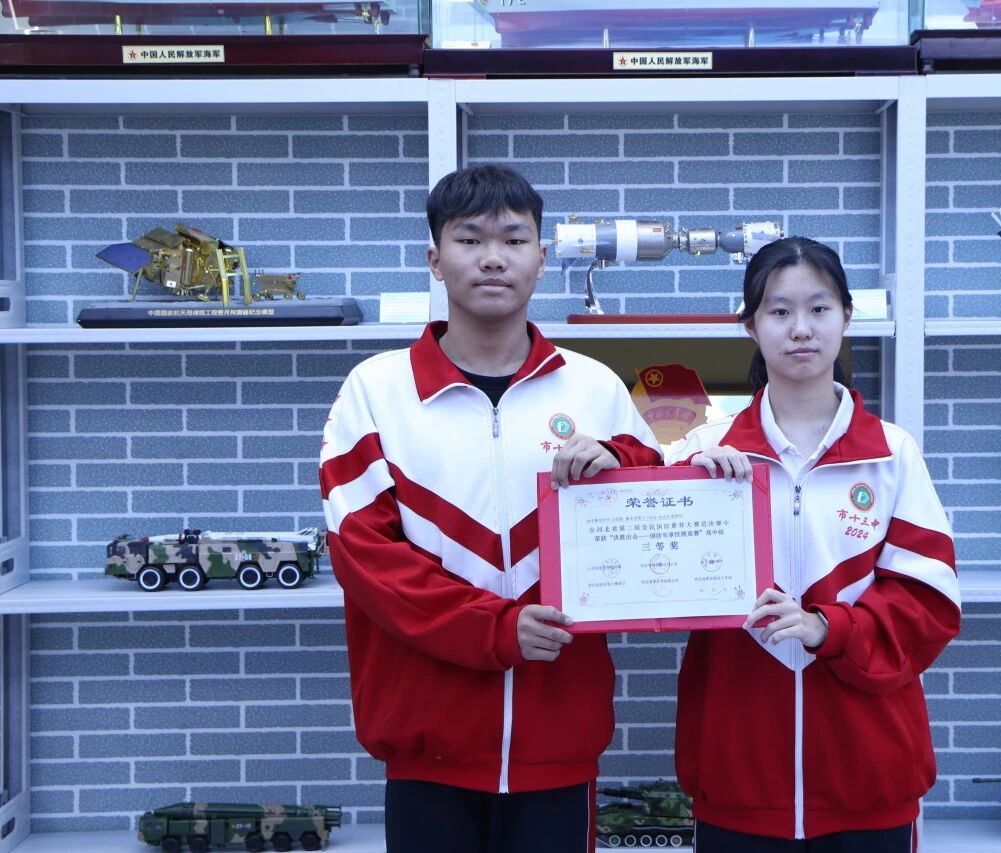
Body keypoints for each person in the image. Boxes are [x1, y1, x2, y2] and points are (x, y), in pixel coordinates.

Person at [319, 164, 662, 853]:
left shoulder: (594, 387)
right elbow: (367, 558)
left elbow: (653, 509)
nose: (493, 257)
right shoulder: (376, 391)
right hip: (426, 748)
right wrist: (496, 628)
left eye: (513, 239)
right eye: (470, 239)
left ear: (542, 257)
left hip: (560, 741)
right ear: (435, 259)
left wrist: (621, 462)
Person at [670, 236, 961, 853]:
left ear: (846, 317)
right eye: (779, 311)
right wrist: (685, 493)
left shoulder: (891, 453)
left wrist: (828, 628)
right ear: (750, 326)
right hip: (738, 772)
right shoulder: (704, 452)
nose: (800, 329)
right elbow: (649, 582)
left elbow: (929, 604)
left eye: (819, 309)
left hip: (868, 774)